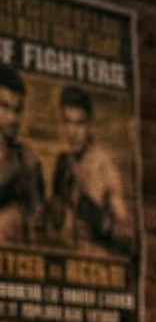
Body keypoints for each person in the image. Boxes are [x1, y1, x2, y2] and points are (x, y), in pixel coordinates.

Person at [44, 86, 132, 257]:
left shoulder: (105, 168)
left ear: (90, 125)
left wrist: (100, 220)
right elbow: (55, 224)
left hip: (96, 259)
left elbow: (127, 237)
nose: (73, 132)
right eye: (68, 122)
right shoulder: (63, 163)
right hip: (66, 256)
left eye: (79, 123)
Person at [0, 70, 39, 244]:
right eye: (4, 107)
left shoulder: (27, 160)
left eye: (17, 111)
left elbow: (35, 222)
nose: (12, 118)